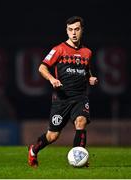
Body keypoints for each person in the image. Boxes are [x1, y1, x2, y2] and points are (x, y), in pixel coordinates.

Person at [28, 16, 98, 167]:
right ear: (66, 31)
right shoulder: (58, 49)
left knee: (81, 122)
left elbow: (86, 70)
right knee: (53, 136)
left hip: (80, 97)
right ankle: (33, 150)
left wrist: (91, 78)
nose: (73, 33)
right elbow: (42, 67)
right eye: (70, 30)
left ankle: (79, 158)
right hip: (62, 99)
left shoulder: (87, 52)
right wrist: (52, 79)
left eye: (77, 29)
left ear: (82, 30)